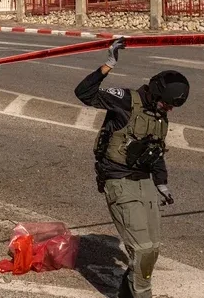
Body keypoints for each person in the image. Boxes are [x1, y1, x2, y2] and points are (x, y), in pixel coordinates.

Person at [73, 38, 190, 298]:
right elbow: (84, 93)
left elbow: (155, 150)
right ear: (157, 94)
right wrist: (108, 64)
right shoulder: (126, 100)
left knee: (153, 250)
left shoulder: (160, 115)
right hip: (120, 182)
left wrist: (162, 183)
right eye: (167, 104)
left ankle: (127, 292)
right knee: (142, 250)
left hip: (145, 182)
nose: (169, 109)